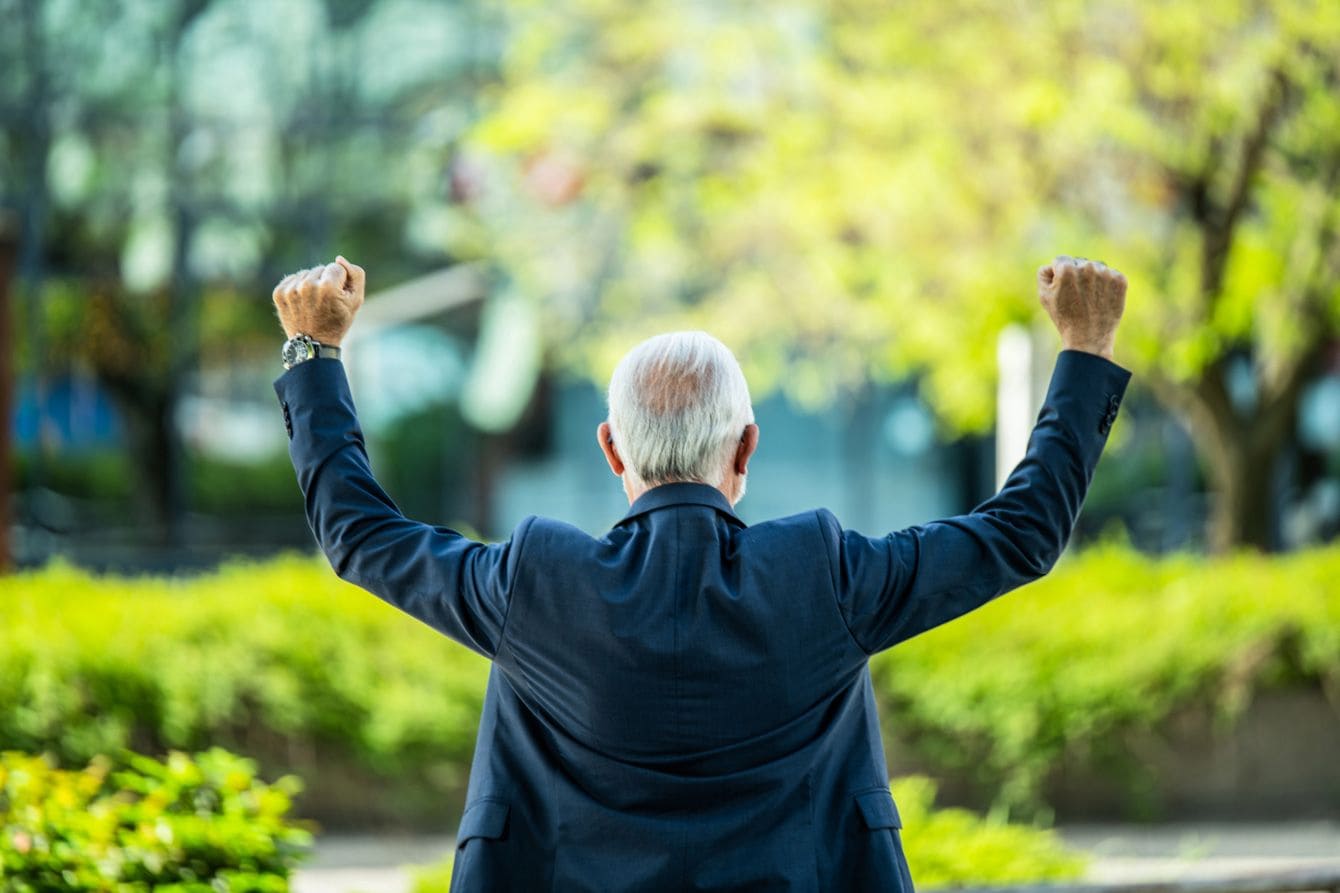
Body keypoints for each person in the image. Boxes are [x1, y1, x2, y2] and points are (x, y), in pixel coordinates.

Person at [272, 255, 1129, 892]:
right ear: (746, 448)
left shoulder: (539, 583)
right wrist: (1085, 348)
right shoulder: (820, 574)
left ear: (612, 450)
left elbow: (360, 535)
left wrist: (314, 352)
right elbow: (1020, 533)